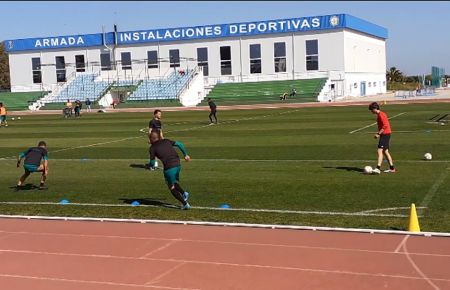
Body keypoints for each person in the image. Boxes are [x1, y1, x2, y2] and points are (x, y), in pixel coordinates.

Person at [148, 131, 191, 210]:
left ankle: (185, 204)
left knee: (171, 187)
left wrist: (150, 166)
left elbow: (152, 162)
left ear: (151, 139)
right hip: (178, 164)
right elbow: (180, 144)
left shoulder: (152, 148)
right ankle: (184, 193)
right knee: (174, 182)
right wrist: (185, 155)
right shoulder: (166, 140)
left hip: (169, 168)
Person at [368, 102, 395, 174]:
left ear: (375, 108)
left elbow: (385, 125)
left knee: (379, 151)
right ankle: (392, 168)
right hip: (386, 134)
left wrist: (378, 134)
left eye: (371, 110)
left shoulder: (381, 115)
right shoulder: (380, 114)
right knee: (385, 151)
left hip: (385, 134)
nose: (371, 111)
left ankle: (377, 168)